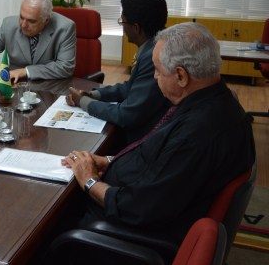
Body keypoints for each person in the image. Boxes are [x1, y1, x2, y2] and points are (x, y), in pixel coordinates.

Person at [61, 22, 255, 250]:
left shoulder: (196, 135)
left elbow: (137, 208)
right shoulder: (217, 102)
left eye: (158, 70)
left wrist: (89, 180)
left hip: (124, 232)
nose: (154, 77)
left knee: (50, 222)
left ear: (181, 76)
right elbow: (160, 157)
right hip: (141, 196)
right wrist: (110, 161)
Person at [66, 0, 171, 144]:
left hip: (143, 140)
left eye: (122, 21)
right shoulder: (153, 46)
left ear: (136, 28)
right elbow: (130, 88)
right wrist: (93, 95)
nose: (122, 27)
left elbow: (127, 115)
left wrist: (83, 102)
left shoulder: (153, 57)